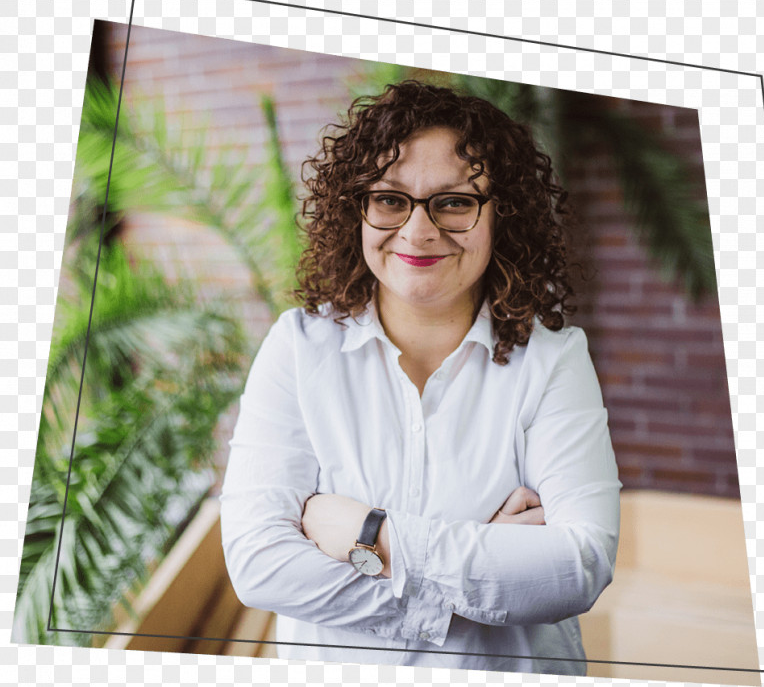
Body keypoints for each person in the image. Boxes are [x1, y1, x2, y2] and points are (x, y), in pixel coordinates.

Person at [220, 80, 621, 676]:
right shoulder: (299, 349)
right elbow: (260, 565)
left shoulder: (553, 360)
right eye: (389, 199)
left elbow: (579, 565)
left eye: (454, 201)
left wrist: (369, 533)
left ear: (499, 215)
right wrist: (476, 569)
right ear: (356, 208)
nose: (418, 231)